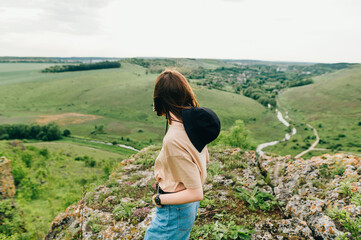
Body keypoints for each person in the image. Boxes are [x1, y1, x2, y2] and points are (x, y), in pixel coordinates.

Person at [144, 69, 221, 240]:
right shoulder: (193, 123)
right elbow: (204, 157)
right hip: (187, 207)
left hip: (175, 208)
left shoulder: (173, 139)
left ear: (160, 100)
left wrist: (158, 199)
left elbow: (196, 193)